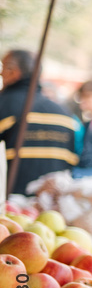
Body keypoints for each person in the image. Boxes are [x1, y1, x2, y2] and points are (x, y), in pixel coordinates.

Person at [0, 49, 80, 195]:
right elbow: (72, 164)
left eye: (3, 68)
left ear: (12, 71)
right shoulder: (65, 115)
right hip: (52, 206)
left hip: (9, 206)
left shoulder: (3, 105)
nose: (1, 74)